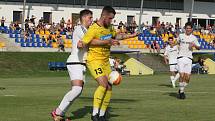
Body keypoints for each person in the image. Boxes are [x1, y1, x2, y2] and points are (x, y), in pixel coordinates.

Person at [80, 6, 138, 121]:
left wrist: (130, 36)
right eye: (110, 18)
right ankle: (94, 114)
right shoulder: (94, 28)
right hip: (94, 60)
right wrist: (107, 41)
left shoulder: (110, 28)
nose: (111, 21)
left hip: (105, 61)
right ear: (104, 16)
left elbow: (116, 36)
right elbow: (86, 42)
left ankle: (102, 115)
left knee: (109, 86)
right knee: (103, 84)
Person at [51, 9, 93, 121]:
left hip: (81, 63)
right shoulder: (80, 29)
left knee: (77, 91)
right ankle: (57, 111)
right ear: (83, 18)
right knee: (77, 90)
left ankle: (60, 114)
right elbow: (88, 42)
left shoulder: (87, 30)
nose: (91, 20)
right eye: (90, 18)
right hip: (75, 62)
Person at [177, 22, 200, 99]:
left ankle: (181, 89)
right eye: (187, 28)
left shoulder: (194, 38)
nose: (188, 30)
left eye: (190, 28)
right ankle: (182, 92)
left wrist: (194, 45)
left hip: (189, 58)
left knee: (187, 78)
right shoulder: (180, 36)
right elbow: (176, 42)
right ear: (185, 29)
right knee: (181, 75)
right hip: (181, 57)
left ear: (192, 29)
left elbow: (199, 47)